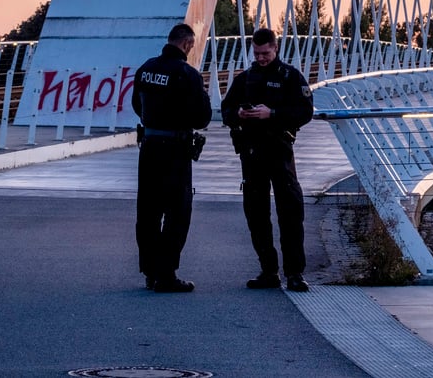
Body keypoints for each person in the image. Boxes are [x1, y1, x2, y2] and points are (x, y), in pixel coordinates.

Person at [221, 27, 314, 292]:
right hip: (251, 154)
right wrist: (239, 113)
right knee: (256, 214)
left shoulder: (290, 77)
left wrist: (271, 113)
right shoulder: (245, 79)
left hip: (280, 152)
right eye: (257, 53)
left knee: (290, 213)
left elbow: (305, 111)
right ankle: (268, 270)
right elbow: (226, 110)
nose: (261, 58)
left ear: (276, 49)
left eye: (266, 53)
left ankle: (294, 273)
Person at [131, 23, 212, 293]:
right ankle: (166, 274)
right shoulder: (187, 74)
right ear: (188, 45)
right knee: (178, 212)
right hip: (175, 151)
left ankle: (150, 271)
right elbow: (202, 117)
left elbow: (136, 105)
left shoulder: (146, 69)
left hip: (150, 146)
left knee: (148, 210)